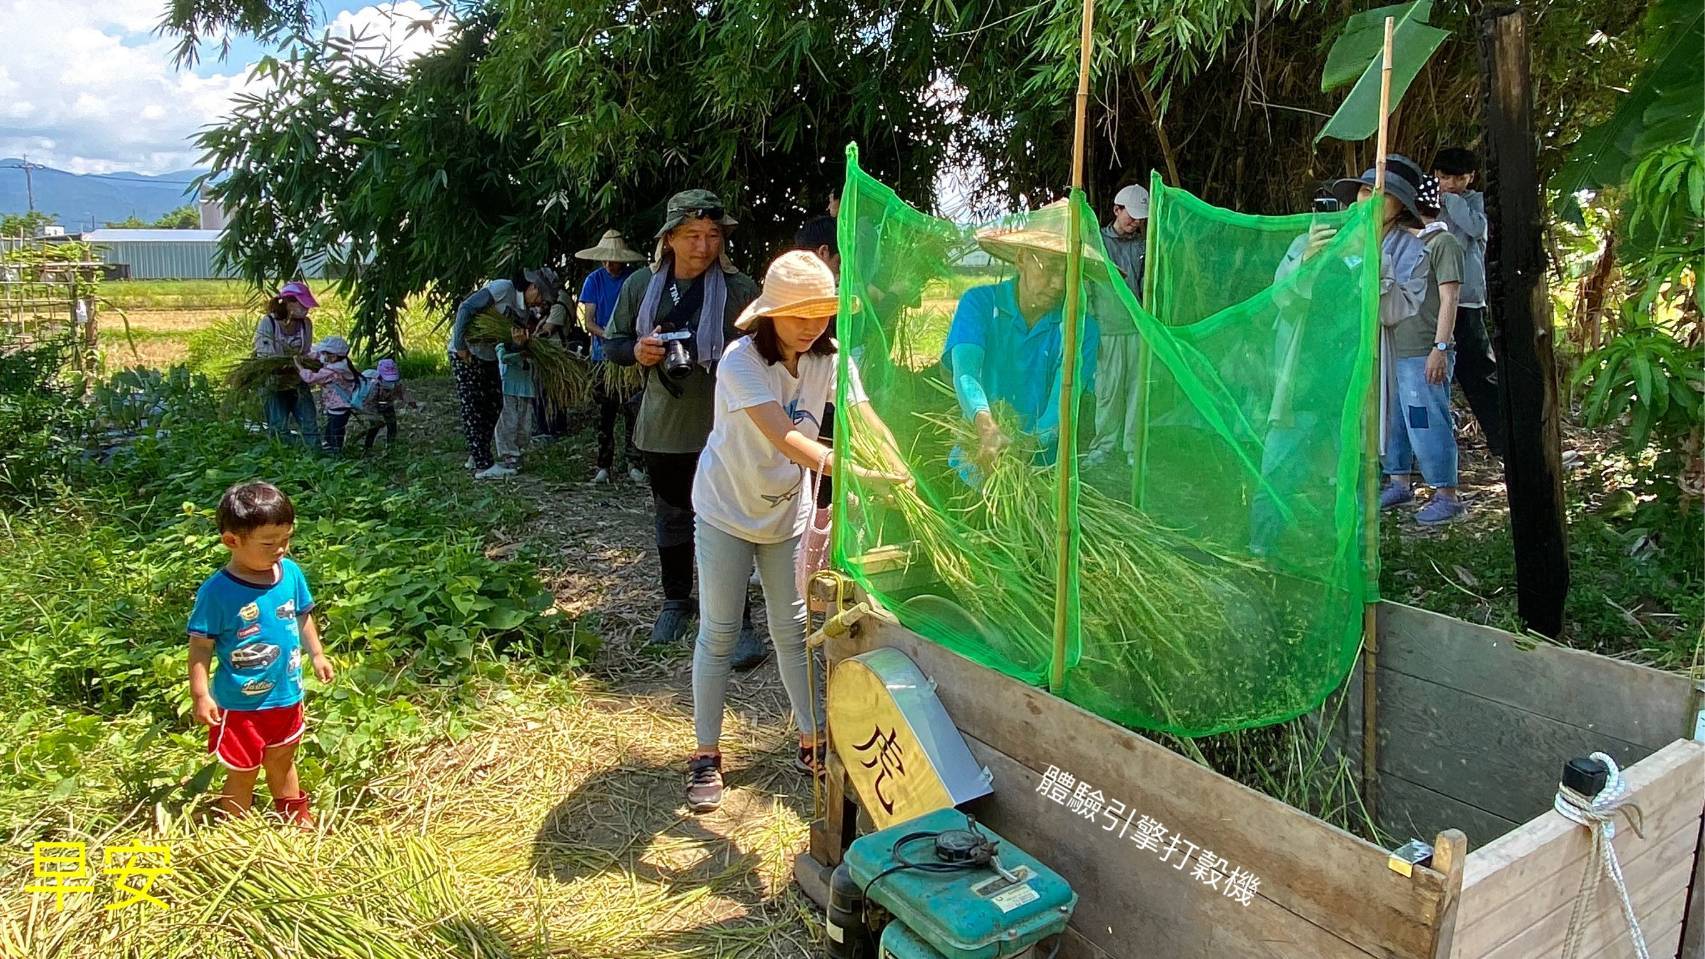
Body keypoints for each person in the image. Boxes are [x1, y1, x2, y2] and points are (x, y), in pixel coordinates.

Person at [685, 251, 908, 812]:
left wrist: (894, 458)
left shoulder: (829, 358)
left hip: (787, 511)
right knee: (718, 630)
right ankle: (706, 755)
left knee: (791, 626)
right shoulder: (740, 362)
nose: (812, 325)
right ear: (771, 313)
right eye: (799, 313)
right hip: (727, 510)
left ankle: (810, 738)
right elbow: (786, 437)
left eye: (822, 313)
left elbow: (862, 415)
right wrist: (852, 471)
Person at [604, 189, 764, 661]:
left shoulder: (739, 291)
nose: (703, 245)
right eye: (692, 235)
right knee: (672, 516)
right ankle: (676, 600)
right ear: (669, 238)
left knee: (730, 522)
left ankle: (738, 621)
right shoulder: (640, 286)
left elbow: (768, 352)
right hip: (664, 426)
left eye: (713, 235)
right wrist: (637, 352)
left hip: (727, 426)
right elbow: (610, 344)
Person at [1251, 160, 1429, 555]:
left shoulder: (1409, 251)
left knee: (1358, 478)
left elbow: (1394, 313)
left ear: (1399, 208)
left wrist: (1374, 265)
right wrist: (1307, 263)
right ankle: (1262, 552)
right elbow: (1282, 299)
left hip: (1357, 385)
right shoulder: (1316, 236)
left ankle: (1353, 559)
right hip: (1303, 380)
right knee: (1278, 468)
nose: (1369, 200)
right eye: (1366, 191)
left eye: (1383, 195)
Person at [187, 482, 333, 825]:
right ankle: (235, 829)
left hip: (287, 695)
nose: (281, 549)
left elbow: (301, 615)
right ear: (232, 541)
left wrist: (317, 654)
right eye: (269, 543)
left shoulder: (290, 574)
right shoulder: (217, 592)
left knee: (284, 759)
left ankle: (296, 821)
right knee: (243, 770)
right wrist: (200, 694)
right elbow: (200, 646)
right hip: (241, 707)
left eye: (286, 539)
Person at [942, 208, 1103, 484]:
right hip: (976, 458)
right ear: (1021, 258)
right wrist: (986, 427)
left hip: (1043, 471)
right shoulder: (980, 304)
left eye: (1070, 273)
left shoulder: (1081, 328)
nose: (1058, 284)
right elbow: (966, 371)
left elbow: (1063, 400)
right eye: (1050, 267)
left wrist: (1025, 448)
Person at [1381, 174, 1466, 525]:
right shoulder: (1397, 244)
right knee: (1396, 421)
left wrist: (1440, 347)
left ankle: (1446, 494)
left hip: (1422, 350)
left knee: (1426, 420)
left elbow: (1451, 298)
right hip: (1394, 348)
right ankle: (1398, 480)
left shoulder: (1442, 242)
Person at [449, 269, 558, 473]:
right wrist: (460, 346)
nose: (540, 303)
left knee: (494, 403)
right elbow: (466, 308)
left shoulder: (523, 314)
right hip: (467, 352)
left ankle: (478, 453)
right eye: (541, 296)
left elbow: (508, 347)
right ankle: (483, 466)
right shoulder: (503, 289)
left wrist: (519, 344)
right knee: (473, 407)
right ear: (533, 287)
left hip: (487, 356)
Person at [1432, 146, 1504, 457]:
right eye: (1444, 177)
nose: (1449, 183)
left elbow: (1476, 227)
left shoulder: (1474, 202)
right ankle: (1433, 450)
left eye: (1457, 178)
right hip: (1433, 301)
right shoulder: (1429, 201)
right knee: (1431, 375)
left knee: (1479, 373)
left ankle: (1503, 440)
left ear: (1470, 177)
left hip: (1467, 301)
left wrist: (1451, 200)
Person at [575, 229, 648, 484]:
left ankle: (633, 462)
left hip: (629, 357)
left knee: (632, 411)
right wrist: (610, 335)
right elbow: (590, 322)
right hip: (602, 358)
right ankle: (603, 465)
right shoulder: (593, 281)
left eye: (613, 259)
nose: (609, 264)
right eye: (605, 259)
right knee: (605, 414)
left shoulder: (634, 280)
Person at [1088, 184, 1148, 477]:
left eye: (1140, 218)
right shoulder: (1096, 242)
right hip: (1108, 329)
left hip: (1138, 330)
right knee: (1109, 391)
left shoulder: (1143, 246)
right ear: (1116, 210)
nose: (1135, 222)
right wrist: (1090, 329)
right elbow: (1086, 287)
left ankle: (1133, 449)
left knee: (1137, 391)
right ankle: (1104, 447)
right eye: (1131, 216)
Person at [253, 281, 319, 447]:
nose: (307, 309)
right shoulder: (269, 323)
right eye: (302, 305)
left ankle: (316, 456)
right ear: (289, 303)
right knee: (278, 425)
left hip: (297, 379)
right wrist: (288, 365)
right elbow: (265, 355)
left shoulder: (306, 324)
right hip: (274, 381)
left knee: (309, 422)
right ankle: (283, 459)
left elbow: (305, 351)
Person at [481, 315, 536, 479]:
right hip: (508, 388)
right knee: (508, 422)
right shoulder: (503, 346)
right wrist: (518, 351)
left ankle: (518, 451)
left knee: (525, 424)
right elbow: (503, 358)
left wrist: (526, 350)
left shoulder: (533, 347)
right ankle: (508, 455)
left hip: (526, 389)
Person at [295, 336, 358, 454]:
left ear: (333, 356)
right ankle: (330, 449)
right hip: (342, 405)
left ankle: (335, 453)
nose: (322, 356)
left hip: (338, 406)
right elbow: (319, 356)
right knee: (333, 428)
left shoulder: (331, 371)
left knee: (335, 431)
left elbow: (310, 378)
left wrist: (299, 366)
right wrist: (309, 356)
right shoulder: (343, 364)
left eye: (325, 353)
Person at [356, 358, 413, 454]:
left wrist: (409, 401)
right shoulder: (373, 387)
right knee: (374, 427)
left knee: (392, 425)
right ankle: (367, 448)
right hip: (373, 406)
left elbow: (402, 391)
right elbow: (367, 405)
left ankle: (390, 447)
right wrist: (375, 418)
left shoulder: (395, 384)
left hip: (387, 405)